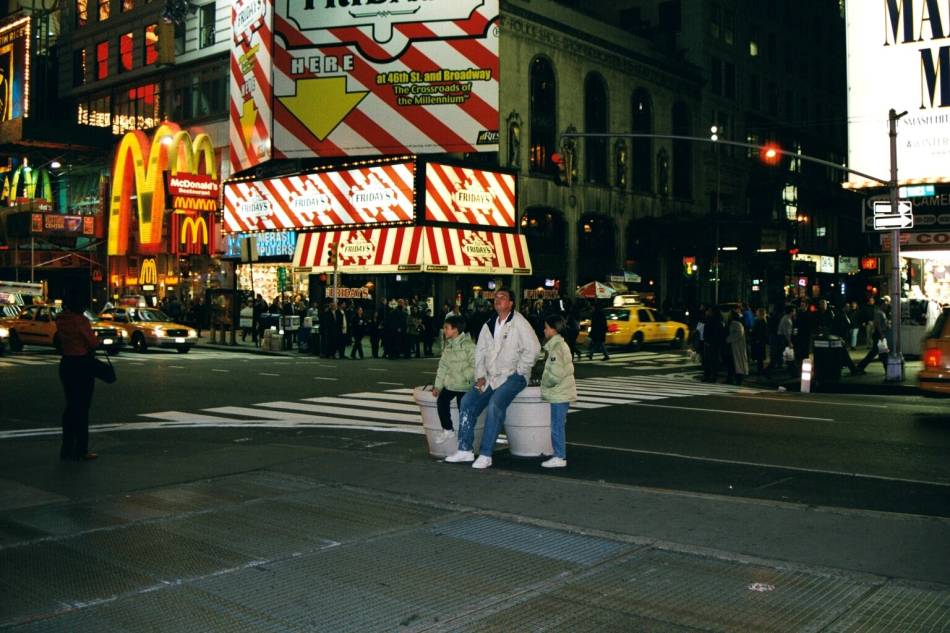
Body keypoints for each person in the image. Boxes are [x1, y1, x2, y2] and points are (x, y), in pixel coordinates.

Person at [446, 288, 541, 469]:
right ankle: (465, 449)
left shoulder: (519, 322)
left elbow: (534, 349)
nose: (498, 300)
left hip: (514, 376)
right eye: (496, 297)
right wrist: (480, 375)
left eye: (502, 297)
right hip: (491, 377)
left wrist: (520, 370)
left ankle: (486, 453)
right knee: (468, 401)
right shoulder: (489, 324)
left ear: (511, 303)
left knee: (495, 403)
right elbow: (480, 352)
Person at [55, 293, 100, 461]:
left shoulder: (61, 319)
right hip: (81, 364)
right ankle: (81, 449)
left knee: (71, 406)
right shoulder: (80, 320)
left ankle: (66, 447)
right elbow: (93, 343)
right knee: (82, 408)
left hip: (67, 363)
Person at [430, 314, 476, 444]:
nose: (444, 331)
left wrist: (466, 375)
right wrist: (438, 386)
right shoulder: (448, 347)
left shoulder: (469, 346)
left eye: (446, 328)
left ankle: (465, 441)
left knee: (464, 413)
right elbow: (442, 367)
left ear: (455, 329)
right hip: (451, 384)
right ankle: (447, 430)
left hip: (465, 385)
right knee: (442, 402)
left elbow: (476, 364)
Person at [539, 314, 576, 468]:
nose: (544, 330)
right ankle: (559, 455)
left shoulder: (556, 347)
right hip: (563, 392)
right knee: (558, 425)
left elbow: (556, 374)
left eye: (546, 327)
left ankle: (559, 456)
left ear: (554, 330)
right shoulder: (560, 345)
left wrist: (545, 381)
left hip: (559, 392)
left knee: (557, 426)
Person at [725, 307, 749, 385]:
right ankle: (731, 378)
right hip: (732, 347)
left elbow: (738, 334)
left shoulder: (736, 324)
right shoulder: (733, 323)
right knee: (731, 363)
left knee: (736, 363)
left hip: (736, 347)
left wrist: (728, 339)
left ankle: (737, 379)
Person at [702, 306, 725, 382]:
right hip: (712, 343)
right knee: (710, 360)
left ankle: (710, 376)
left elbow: (714, 333)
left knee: (711, 360)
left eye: (709, 311)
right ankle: (710, 376)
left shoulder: (712, 321)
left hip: (712, 344)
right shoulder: (716, 321)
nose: (707, 312)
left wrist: (708, 341)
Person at [750, 307, 769, 376]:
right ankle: (760, 370)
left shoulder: (760, 322)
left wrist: (752, 332)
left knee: (759, 357)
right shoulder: (762, 321)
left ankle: (760, 371)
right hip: (760, 341)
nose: (756, 313)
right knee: (760, 357)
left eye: (757, 312)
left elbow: (759, 332)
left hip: (759, 341)